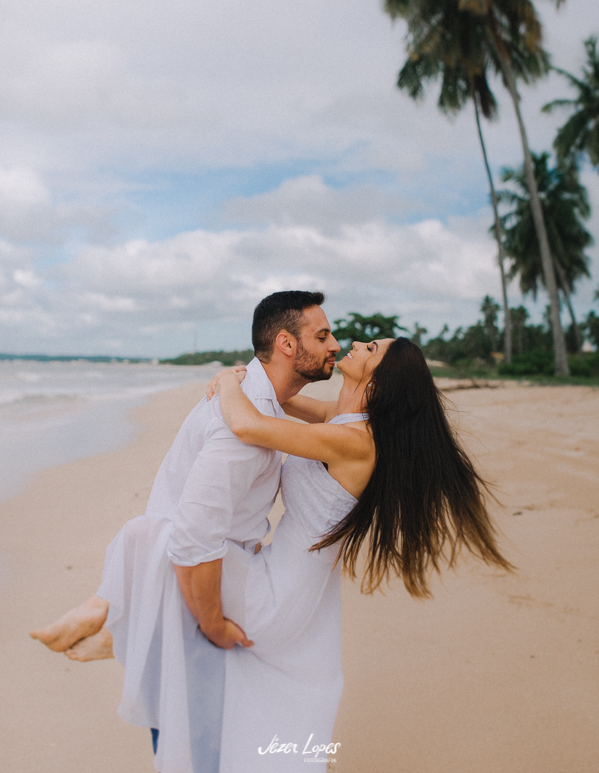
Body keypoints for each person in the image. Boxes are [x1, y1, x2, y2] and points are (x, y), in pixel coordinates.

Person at [32, 327, 512, 773]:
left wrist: (224, 381)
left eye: (372, 350)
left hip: (280, 591)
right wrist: (248, 378)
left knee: (156, 535)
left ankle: (112, 617)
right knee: (170, 542)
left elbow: (249, 425)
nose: (358, 344)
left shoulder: (354, 440)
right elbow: (279, 401)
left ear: (381, 381)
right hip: (286, 576)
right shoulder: (343, 418)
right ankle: (119, 623)